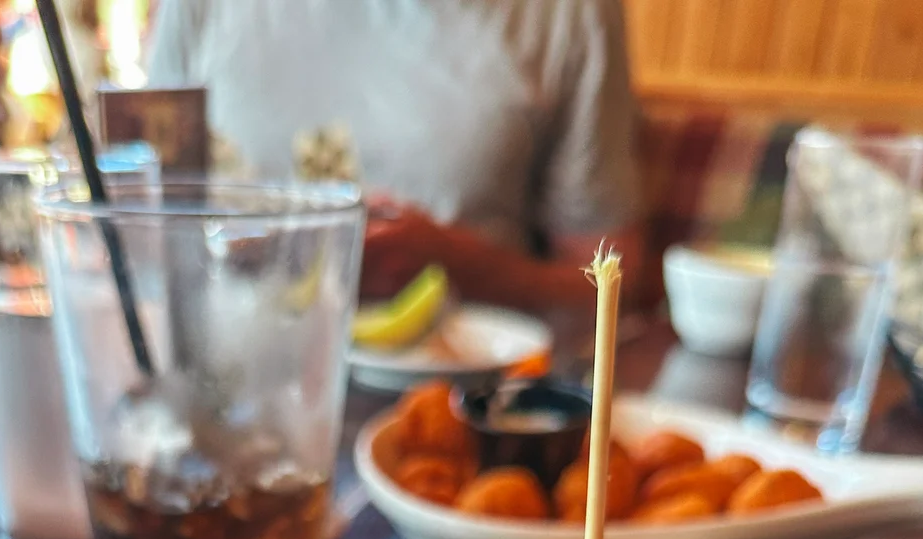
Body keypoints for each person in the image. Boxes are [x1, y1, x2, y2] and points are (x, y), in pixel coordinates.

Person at [147, 0, 643, 309]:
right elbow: (142, 230)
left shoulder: (570, 12)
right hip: (236, 386)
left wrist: (466, 269)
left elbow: (618, 280)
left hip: (471, 396)